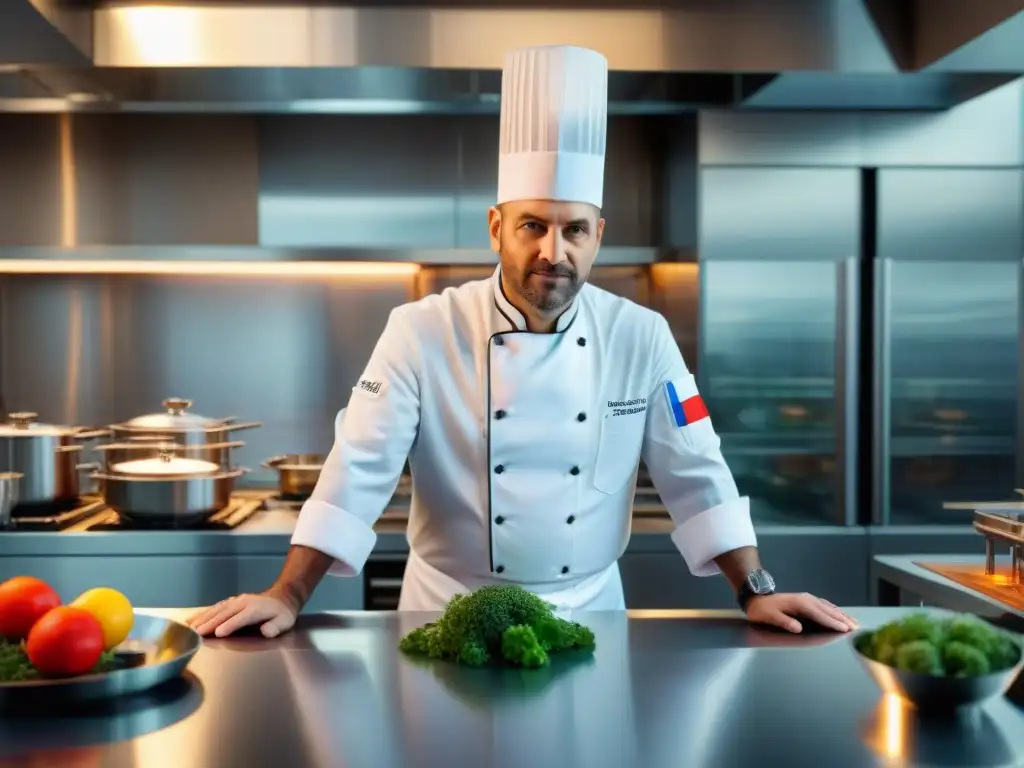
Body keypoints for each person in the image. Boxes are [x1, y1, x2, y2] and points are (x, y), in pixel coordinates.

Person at [190, 44, 857, 640]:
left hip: (589, 612)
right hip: (448, 616)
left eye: (572, 230)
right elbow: (357, 468)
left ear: (598, 233)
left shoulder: (642, 336)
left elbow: (697, 470)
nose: (552, 251)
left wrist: (756, 590)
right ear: (495, 227)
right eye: (532, 225)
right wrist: (287, 594)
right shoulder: (421, 331)